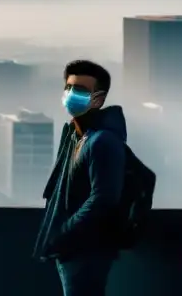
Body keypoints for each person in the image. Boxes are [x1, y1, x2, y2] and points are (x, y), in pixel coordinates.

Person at [34, 60, 127, 296]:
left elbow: (104, 198)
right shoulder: (75, 135)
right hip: (72, 247)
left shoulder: (103, 141)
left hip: (86, 248)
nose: (72, 94)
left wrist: (65, 230)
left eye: (82, 90)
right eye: (69, 87)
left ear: (99, 98)